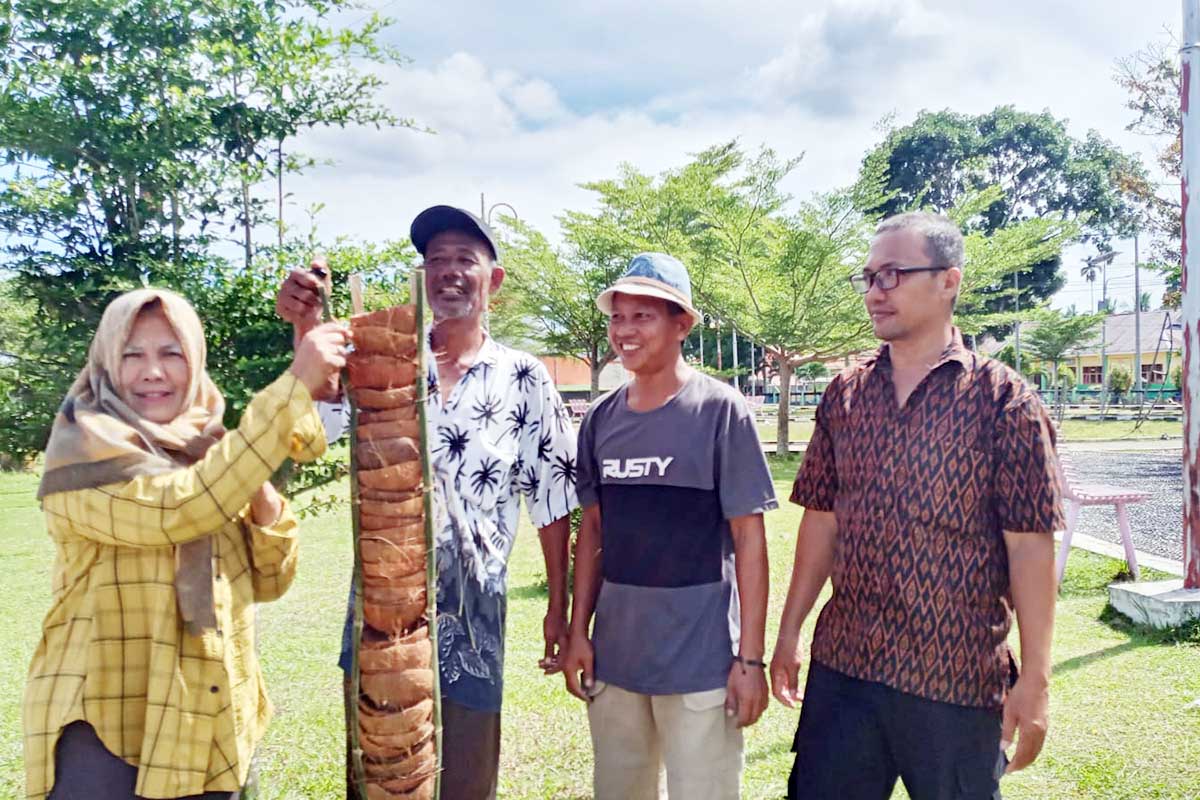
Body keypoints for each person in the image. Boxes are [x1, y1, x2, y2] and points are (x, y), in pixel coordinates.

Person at [275, 206, 579, 800]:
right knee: (380, 774)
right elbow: (314, 429)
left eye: (465, 259)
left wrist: (559, 607)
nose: (448, 271)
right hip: (382, 614)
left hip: (474, 617)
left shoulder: (523, 377)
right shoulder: (380, 361)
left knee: (465, 777)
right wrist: (306, 331)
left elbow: (552, 499)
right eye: (435, 259)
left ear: (493, 280)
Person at [771, 211, 1064, 800]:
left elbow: (1030, 544)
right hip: (846, 667)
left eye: (893, 275)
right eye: (869, 277)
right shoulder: (845, 394)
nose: (875, 292)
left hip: (953, 676)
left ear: (948, 281)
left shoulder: (1004, 401)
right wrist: (789, 631)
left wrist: (1035, 678)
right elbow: (822, 520)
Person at [24, 288, 348, 800]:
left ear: (194, 360)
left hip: (213, 718)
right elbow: (180, 508)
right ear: (107, 362)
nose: (152, 372)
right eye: (132, 355)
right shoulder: (82, 454)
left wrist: (255, 485)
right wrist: (292, 387)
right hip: (109, 729)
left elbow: (270, 578)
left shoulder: (211, 451)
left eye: (171, 353)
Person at [562, 253, 776, 800]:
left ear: (682, 324)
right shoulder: (601, 420)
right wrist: (577, 630)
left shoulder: (721, 413)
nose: (624, 331)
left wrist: (750, 660)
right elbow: (592, 532)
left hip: (701, 663)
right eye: (617, 317)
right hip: (617, 659)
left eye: (643, 317)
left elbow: (750, 541)